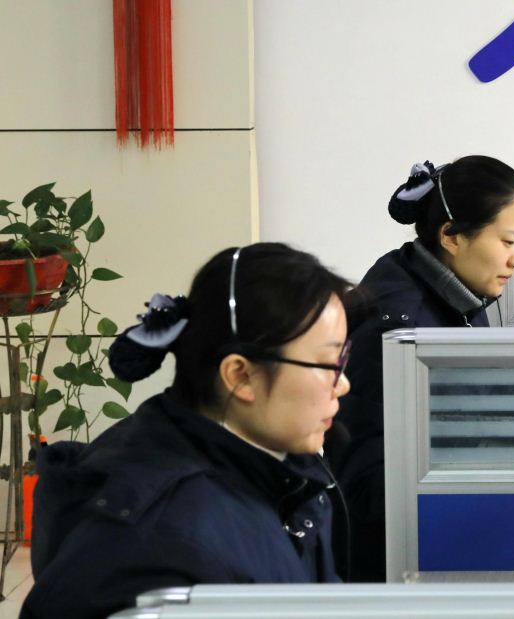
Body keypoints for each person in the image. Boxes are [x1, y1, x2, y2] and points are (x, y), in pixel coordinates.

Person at [25, 244, 351, 619]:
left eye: (344, 359)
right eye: (330, 364)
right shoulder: (160, 542)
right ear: (240, 376)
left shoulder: (281, 469)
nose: (343, 384)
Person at [327, 155, 514, 582]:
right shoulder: (400, 329)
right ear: (451, 236)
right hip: (393, 563)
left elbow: (479, 385)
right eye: (508, 241)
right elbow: (367, 485)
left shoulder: (441, 283)